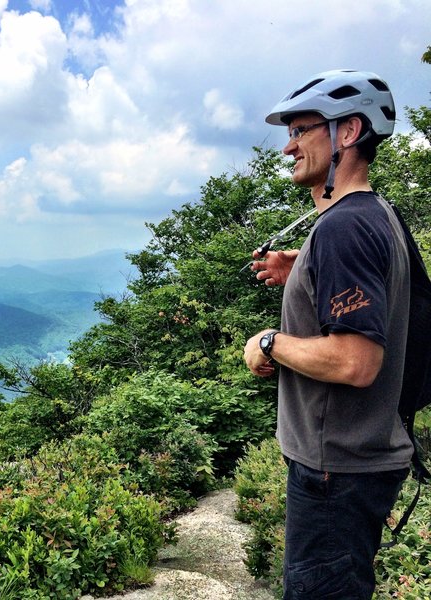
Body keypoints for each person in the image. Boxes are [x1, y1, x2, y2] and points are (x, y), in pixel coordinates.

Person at [243, 70, 415, 599]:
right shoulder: (376, 216)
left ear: (347, 132)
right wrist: (306, 269)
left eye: (301, 129)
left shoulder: (343, 228)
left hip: (334, 472)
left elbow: (354, 361)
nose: (289, 146)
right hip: (356, 463)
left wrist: (269, 341)